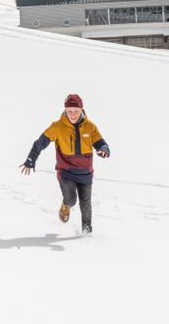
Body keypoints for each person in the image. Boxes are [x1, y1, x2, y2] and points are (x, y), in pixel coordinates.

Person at [19, 93, 110, 234]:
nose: (72, 114)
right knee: (72, 200)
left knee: (86, 205)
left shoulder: (90, 127)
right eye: (69, 110)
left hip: (86, 172)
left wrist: (104, 150)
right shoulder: (57, 127)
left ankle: (87, 234)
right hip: (66, 171)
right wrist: (31, 160)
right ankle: (66, 204)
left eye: (76, 111)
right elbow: (39, 143)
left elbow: (101, 143)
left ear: (81, 110)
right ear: (65, 110)